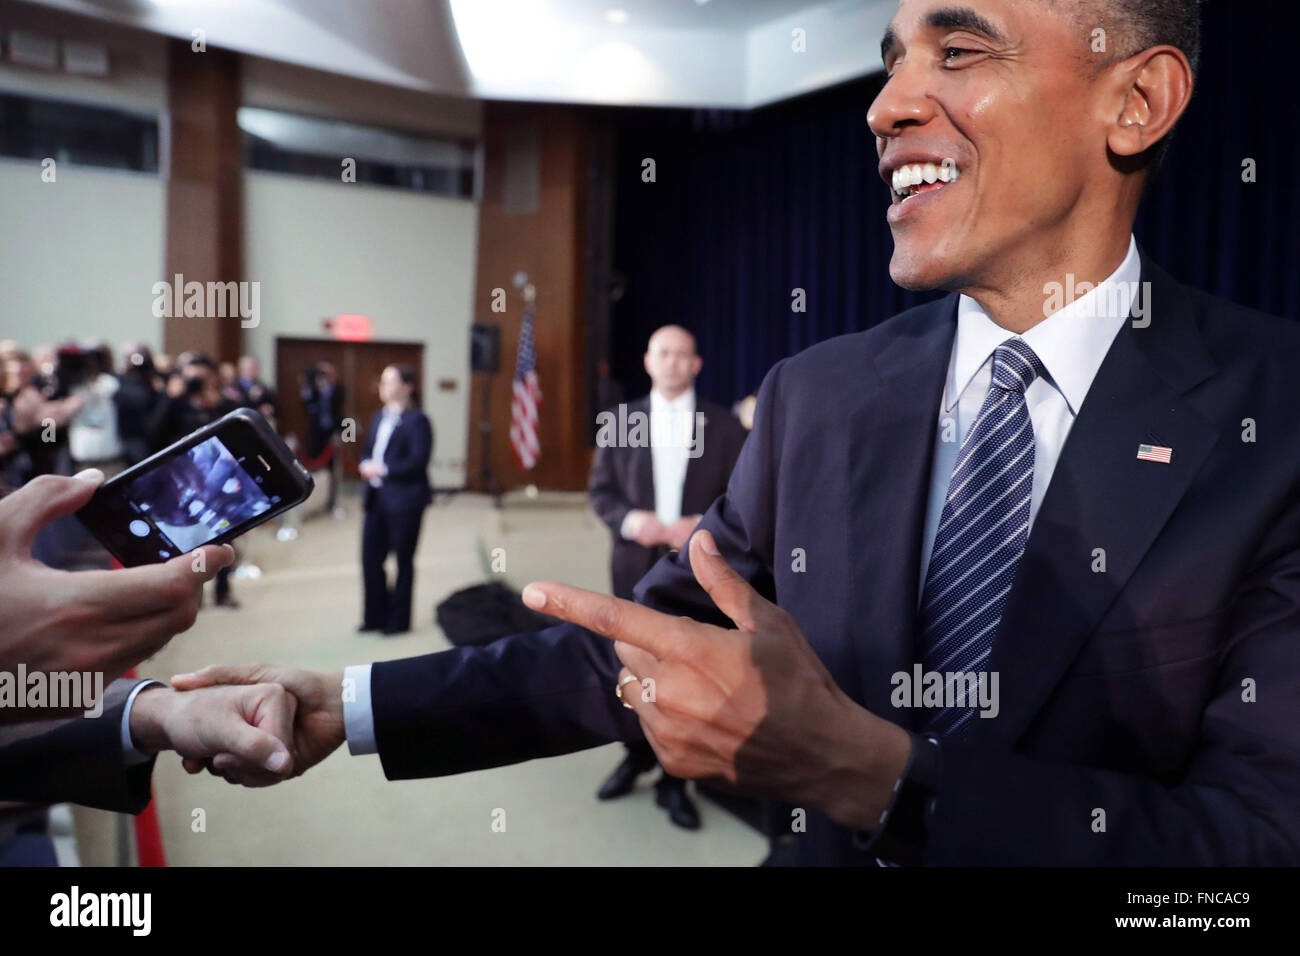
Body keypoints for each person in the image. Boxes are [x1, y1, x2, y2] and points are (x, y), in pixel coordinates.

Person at [176, 0, 1300, 865]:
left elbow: (1251, 845)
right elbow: (643, 640)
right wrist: (351, 703)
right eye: (892, 58)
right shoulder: (819, 391)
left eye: (957, 51)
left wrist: (887, 780)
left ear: (1137, 100)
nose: (887, 103)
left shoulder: (1277, 415)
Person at [587, 326, 747, 828]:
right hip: (633, 564)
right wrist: (636, 522)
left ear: (696, 364)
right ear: (649, 360)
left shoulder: (726, 427)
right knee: (630, 665)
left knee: (687, 668)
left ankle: (676, 781)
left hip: (697, 569)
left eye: (683, 354)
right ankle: (635, 755)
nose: (673, 362)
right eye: (664, 353)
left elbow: (742, 501)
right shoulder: (618, 421)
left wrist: (699, 525)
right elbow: (601, 493)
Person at [357, 365, 432, 635]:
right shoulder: (379, 417)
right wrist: (365, 463)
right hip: (376, 498)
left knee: (403, 560)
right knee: (370, 558)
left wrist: (384, 469)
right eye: (383, 381)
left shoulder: (417, 420)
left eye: (390, 381)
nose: (383, 387)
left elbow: (418, 461)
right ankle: (374, 615)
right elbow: (367, 450)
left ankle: (399, 621)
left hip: (406, 500)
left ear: (407, 386)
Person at [301, 362, 345, 515]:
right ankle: (314, 500)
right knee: (313, 467)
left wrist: (344, 435)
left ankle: (332, 502)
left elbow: (339, 405)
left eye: (327, 373)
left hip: (332, 433)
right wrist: (315, 387)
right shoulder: (312, 388)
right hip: (316, 433)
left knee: (334, 468)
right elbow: (307, 405)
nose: (324, 376)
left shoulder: (337, 388)